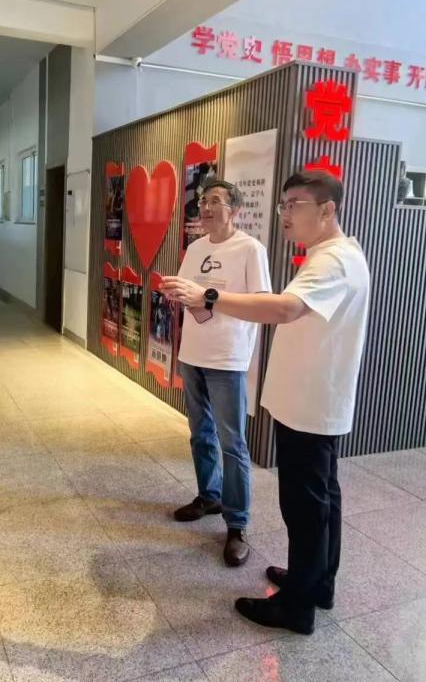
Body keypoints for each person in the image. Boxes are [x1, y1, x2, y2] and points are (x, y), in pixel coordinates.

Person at [164, 171, 370, 635]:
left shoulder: (333, 260)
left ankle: (297, 607)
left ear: (327, 209)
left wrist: (208, 295)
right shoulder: (331, 255)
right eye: (283, 205)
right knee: (322, 499)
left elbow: (283, 308)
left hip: (309, 403)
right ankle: (315, 584)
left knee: (305, 505)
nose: (285, 215)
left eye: (295, 205)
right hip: (310, 400)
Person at [168, 180, 271, 567]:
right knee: (201, 433)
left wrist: (208, 297)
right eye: (203, 201)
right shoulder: (196, 248)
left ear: (235, 210)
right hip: (192, 352)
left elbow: (262, 303)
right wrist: (176, 292)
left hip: (228, 357)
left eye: (215, 201)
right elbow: (188, 292)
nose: (206, 207)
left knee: (233, 443)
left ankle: (237, 524)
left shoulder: (250, 249)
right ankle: (209, 496)